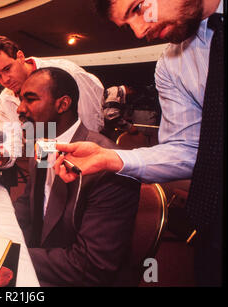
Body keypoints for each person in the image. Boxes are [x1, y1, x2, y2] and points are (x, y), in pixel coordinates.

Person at [56, 0, 224, 286]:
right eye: (127, 24)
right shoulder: (171, 64)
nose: (138, 31)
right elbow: (192, 148)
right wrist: (113, 158)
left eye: (137, 7)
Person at [13, 67, 140, 286]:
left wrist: (10, 256)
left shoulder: (108, 165)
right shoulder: (44, 142)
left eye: (30, 100)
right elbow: (29, 204)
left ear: (63, 104)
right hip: (43, 264)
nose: (20, 109)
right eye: (20, 100)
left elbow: (91, 266)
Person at [0, 36, 106, 171]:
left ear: (20, 57)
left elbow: (91, 118)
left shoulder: (66, 71)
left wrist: (86, 154)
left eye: (7, 69)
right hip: (43, 157)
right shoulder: (6, 98)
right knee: (44, 186)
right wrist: (2, 156)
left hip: (83, 156)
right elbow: (10, 138)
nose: (5, 80)